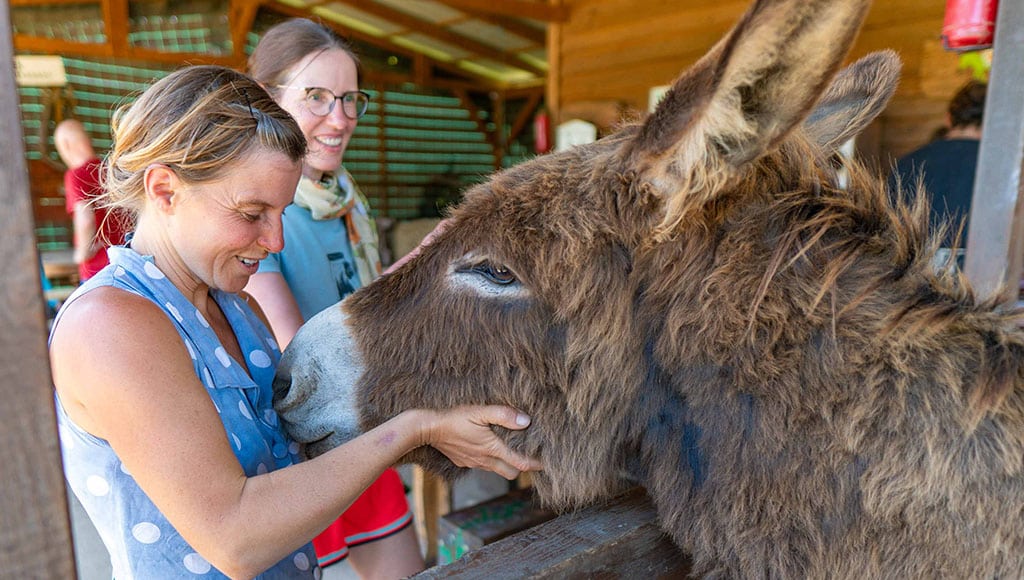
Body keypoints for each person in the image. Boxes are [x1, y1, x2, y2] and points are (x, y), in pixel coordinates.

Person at [48, 65, 541, 580]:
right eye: (251, 212)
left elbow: (303, 446)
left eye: (281, 212)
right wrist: (413, 428)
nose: (275, 240)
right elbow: (235, 538)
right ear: (166, 190)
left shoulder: (239, 310)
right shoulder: (110, 326)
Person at [242, 19, 425, 577]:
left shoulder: (346, 198)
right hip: (296, 446)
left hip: (357, 426)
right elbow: (294, 347)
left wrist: (431, 260)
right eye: (316, 97)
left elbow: (363, 300)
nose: (339, 118)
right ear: (269, 100)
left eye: (349, 99)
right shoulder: (256, 205)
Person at [889, 80, 987, 253]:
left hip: (912, 273)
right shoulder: (1005, 170)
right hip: (985, 273)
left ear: (948, 118)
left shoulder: (908, 162)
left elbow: (886, 227)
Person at [54, 118, 128, 281]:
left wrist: (82, 254)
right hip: (124, 263)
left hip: (97, 270)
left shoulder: (76, 175)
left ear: (65, 146)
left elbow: (86, 220)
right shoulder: (111, 170)